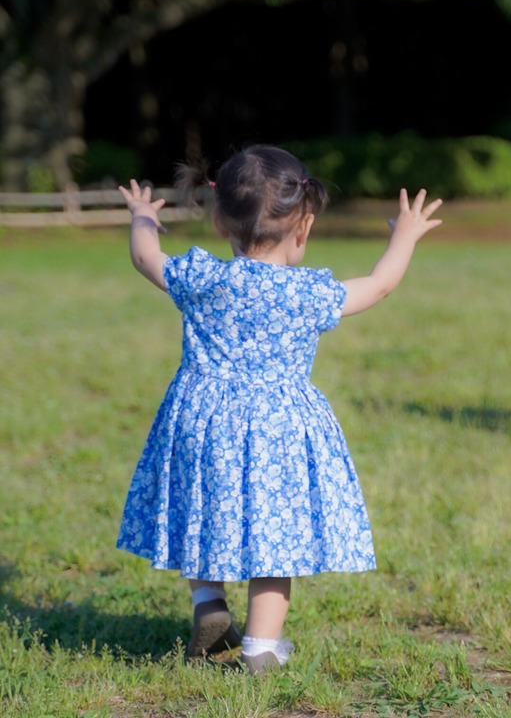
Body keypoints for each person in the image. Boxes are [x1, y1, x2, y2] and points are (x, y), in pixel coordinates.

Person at [115, 145, 442, 673]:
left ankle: (208, 604)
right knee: (276, 540)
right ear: (304, 225)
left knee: (203, 511)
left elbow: (144, 257)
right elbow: (380, 285)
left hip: (203, 419)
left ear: (220, 221)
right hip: (280, 429)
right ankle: (262, 647)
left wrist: (143, 218)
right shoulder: (309, 293)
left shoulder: (202, 278)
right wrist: (403, 235)